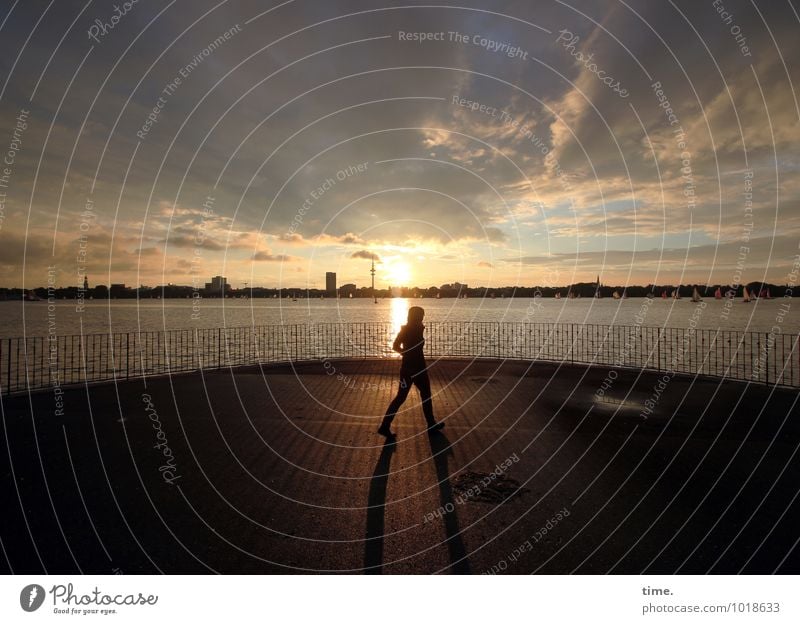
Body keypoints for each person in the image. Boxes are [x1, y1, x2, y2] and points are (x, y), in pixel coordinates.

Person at [378, 306, 444, 438]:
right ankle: (385, 426)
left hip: (412, 368)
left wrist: (406, 354)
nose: (423, 318)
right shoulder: (409, 329)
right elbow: (395, 346)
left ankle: (430, 424)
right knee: (411, 397)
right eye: (421, 315)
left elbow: (397, 346)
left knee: (416, 396)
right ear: (416, 316)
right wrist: (407, 354)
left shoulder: (414, 328)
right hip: (414, 368)